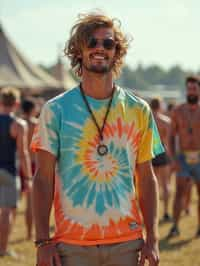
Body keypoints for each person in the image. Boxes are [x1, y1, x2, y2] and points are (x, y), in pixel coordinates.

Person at [31, 12, 164, 266]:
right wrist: (42, 241)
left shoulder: (139, 110)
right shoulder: (55, 110)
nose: (100, 48)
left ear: (117, 52)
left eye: (108, 43)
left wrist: (153, 239)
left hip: (127, 243)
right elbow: (43, 178)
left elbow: (147, 178)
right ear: (78, 51)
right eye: (91, 42)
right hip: (72, 245)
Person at [0, 87, 32, 256]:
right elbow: (23, 153)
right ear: (17, 103)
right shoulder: (18, 125)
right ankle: (3, 249)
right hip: (9, 172)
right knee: (7, 211)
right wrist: (28, 177)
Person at [167, 75, 200, 238]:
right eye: (189, 88)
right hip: (183, 158)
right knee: (179, 193)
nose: (191, 91)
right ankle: (175, 226)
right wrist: (173, 158)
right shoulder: (178, 111)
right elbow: (171, 136)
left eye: (194, 88)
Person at [150, 98, 171, 222]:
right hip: (162, 151)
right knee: (165, 184)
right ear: (160, 106)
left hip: (150, 152)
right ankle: (166, 212)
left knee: (151, 184)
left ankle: (152, 213)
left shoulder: (147, 119)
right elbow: (167, 141)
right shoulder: (166, 121)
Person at [20, 97, 38, 240]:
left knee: (9, 204)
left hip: (17, 163)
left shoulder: (18, 123)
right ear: (32, 109)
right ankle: (28, 234)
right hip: (32, 164)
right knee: (30, 203)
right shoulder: (36, 124)